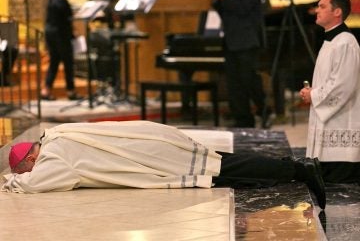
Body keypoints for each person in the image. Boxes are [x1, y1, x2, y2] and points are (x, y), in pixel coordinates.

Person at [2, 120, 326, 209]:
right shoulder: (58, 134)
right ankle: (291, 167)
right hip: (151, 140)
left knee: (229, 170)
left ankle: (297, 169)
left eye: (26, 167)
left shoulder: (56, 156)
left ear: (32, 157)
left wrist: (13, 182)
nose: (29, 172)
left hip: (155, 159)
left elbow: (41, 182)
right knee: (229, 166)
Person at [299, 0, 360, 184]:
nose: (317, 10)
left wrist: (313, 95)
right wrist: (312, 93)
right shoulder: (331, 41)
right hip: (328, 131)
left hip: (341, 145)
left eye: (322, 6)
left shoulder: (346, 43)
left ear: (337, 12)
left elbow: (343, 86)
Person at [210, 0, 268, 127]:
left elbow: (244, 9)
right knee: (234, 83)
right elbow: (227, 12)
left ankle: (263, 110)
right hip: (231, 41)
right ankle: (242, 119)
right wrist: (217, 0)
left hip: (246, 41)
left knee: (248, 79)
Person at [41, 0, 81, 101]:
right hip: (61, 35)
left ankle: (46, 90)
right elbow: (67, 19)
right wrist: (73, 33)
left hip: (50, 34)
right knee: (68, 63)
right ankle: (71, 91)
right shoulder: (61, 0)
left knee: (54, 62)